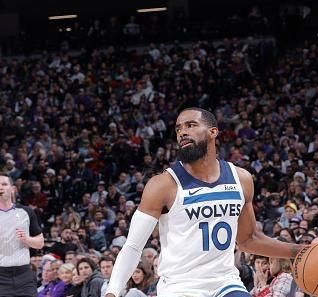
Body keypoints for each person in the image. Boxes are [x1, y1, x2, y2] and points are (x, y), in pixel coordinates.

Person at [106, 108, 303, 297]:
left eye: (191, 125)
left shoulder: (241, 179)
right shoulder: (162, 185)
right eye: (178, 129)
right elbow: (133, 246)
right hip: (180, 286)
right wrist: (112, 292)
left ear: (213, 132)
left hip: (225, 282)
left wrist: (301, 251)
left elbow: (249, 240)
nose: (183, 132)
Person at [0, 173, 45, 297]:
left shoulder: (26, 212)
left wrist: (27, 239)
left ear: (13, 189)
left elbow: (40, 243)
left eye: (4, 184)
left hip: (24, 273)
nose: (0, 187)